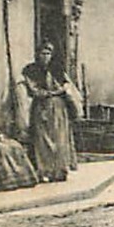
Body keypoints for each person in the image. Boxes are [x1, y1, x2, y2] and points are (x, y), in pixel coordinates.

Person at [21, 41, 77, 183]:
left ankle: (59, 170)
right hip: (41, 107)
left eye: (48, 53)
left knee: (60, 138)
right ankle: (43, 170)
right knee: (42, 139)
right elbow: (33, 90)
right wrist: (49, 92)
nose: (45, 56)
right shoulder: (30, 70)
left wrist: (56, 91)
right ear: (37, 54)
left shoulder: (57, 69)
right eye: (43, 53)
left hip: (58, 108)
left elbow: (66, 86)